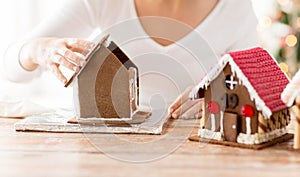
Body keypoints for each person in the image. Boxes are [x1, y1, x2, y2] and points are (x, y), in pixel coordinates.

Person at [1, 0, 259, 119]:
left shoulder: (236, 7)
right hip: (105, 147)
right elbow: (11, 68)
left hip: (196, 153)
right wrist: (37, 50)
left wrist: (220, 97)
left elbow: (252, 87)